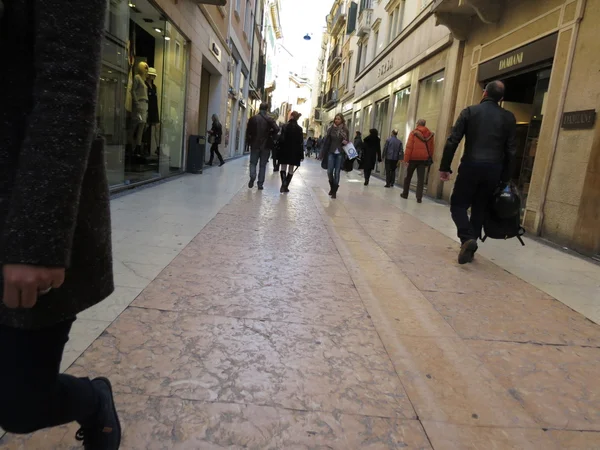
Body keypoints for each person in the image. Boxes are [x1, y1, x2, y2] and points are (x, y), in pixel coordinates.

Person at [0, 1, 121, 448]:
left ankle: (93, 399)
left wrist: (35, 239)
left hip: (18, 202)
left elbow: (67, 86)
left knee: (19, 403)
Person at [439, 80, 517, 264]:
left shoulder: (470, 112)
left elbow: (453, 140)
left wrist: (445, 166)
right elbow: (512, 151)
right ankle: (471, 247)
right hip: (493, 171)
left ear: (484, 93)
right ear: (501, 98)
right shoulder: (509, 118)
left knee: (458, 205)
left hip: (470, 166)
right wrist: (505, 178)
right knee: (479, 209)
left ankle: (467, 239)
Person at [246, 103, 279, 190]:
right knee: (262, 165)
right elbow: (277, 129)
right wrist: (270, 133)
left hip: (254, 144)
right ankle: (260, 184)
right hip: (266, 145)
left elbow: (248, 132)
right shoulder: (270, 119)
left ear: (259, 108)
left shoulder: (253, 119)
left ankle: (252, 176)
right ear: (267, 109)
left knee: (253, 163)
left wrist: (249, 142)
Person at [402, 119, 435, 203]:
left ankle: (405, 194)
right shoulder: (429, 134)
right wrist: (429, 157)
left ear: (418, 124)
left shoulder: (414, 133)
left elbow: (409, 147)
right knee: (421, 179)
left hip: (413, 158)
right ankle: (419, 197)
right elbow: (431, 148)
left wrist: (406, 159)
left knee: (408, 177)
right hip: (423, 159)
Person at [321, 113, 349, 199]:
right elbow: (326, 141)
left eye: (338, 119)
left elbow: (347, 140)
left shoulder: (345, 130)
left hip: (340, 153)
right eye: (336, 119)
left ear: (342, 120)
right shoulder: (330, 129)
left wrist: (346, 142)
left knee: (337, 172)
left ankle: (334, 191)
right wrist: (322, 153)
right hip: (331, 152)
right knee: (329, 171)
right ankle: (333, 187)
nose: (336, 120)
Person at [278, 111, 305, 193]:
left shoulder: (284, 126)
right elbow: (301, 143)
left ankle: (284, 184)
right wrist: (301, 155)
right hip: (294, 152)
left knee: (283, 167)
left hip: (284, 150)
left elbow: (281, 139)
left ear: (292, 116)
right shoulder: (300, 129)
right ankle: (285, 186)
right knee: (291, 169)